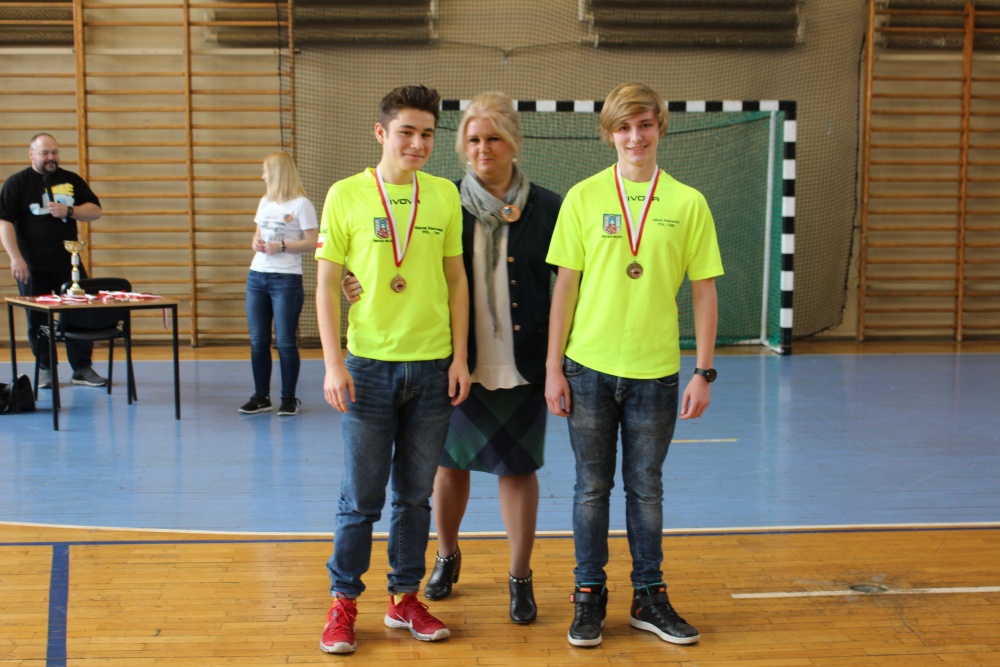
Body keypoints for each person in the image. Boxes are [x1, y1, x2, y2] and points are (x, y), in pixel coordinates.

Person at [343, 92, 562, 624]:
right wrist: (357, 282)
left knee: (518, 469)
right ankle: (445, 557)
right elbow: (401, 263)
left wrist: (559, 361)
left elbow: (572, 283)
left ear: (515, 142)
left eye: (494, 138)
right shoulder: (442, 201)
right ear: (462, 146)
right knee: (448, 466)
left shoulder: (551, 208)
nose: (483, 148)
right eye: (473, 139)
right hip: (454, 361)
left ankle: (520, 576)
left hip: (523, 362)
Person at [544, 83, 723, 648]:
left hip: (656, 373)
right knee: (591, 489)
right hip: (587, 368)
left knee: (646, 489)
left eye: (644, 125)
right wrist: (553, 368)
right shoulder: (583, 197)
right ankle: (588, 595)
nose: (635, 137)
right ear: (609, 134)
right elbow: (564, 288)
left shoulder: (689, 202)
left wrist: (704, 371)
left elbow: (704, 291)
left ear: (660, 127)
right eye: (624, 127)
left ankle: (649, 596)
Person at [314, 84, 471, 655]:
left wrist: (460, 357)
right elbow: (327, 284)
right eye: (407, 132)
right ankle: (343, 603)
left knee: (415, 496)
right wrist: (333, 364)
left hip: (432, 368)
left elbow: (457, 280)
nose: (418, 143)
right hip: (369, 368)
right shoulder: (346, 194)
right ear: (381, 133)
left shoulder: (444, 196)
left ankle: (405, 598)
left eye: (427, 134)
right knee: (360, 498)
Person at [0, 133, 107, 389]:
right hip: (32, 265)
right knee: (37, 320)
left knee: (80, 314)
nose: (51, 157)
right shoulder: (17, 183)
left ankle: (81, 368)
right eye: (45, 153)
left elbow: (95, 211)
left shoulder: (71, 180)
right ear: (32, 155)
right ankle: (46, 368)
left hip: (68, 263)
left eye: (54, 152)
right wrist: (15, 258)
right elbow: (5, 222)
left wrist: (70, 210)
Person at [238, 151, 318, 417]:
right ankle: (261, 396)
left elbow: (312, 241)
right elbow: (257, 233)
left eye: (265, 171)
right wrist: (256, 243)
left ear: (277, 174)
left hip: (286, 279)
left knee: (285, 341)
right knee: (258, 340)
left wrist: (281, 246)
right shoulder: (265, 201)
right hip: (257, 276)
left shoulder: (301, 205)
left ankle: (289, 398)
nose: (262, 176)